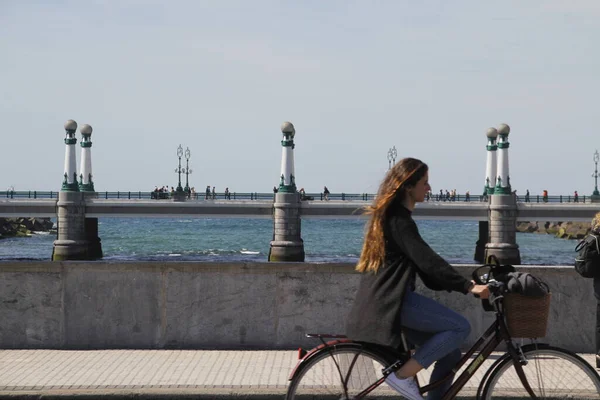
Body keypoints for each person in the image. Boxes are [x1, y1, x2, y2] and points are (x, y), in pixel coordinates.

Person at [346, 157, 490, 400]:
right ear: (408, 186)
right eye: (425, 182)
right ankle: (400, 377)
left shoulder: (392, 218)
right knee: (460, 327)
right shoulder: (399, 221)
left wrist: (454, 284)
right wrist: (468, 286)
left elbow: (426, 270)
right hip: (392, 304)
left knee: (450, 354)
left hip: (382, 302)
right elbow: (428, 260)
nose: (429, 188)